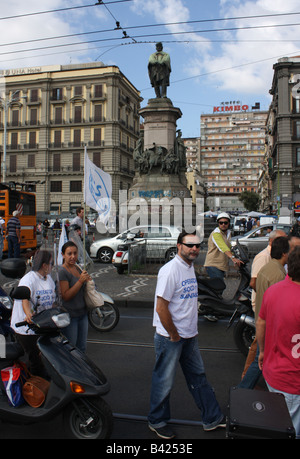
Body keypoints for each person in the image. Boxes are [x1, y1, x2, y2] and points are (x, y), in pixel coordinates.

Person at [148, 231, 225, 439]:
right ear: (178, 245)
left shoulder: (189, 268)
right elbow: (161, 307)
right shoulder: (170, 271)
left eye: (197, 246)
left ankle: (212, 418)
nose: (194, 249)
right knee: (164, 381)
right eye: (189, 245)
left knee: (198, 377)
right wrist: (173, 335)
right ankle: (157, 420)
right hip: (170, 338)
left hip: (189, 336)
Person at [257, 246, 300, 438]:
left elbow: (261, 322)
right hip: (293, 381)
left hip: (273, 371)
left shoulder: (273, 291)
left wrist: (262, 352)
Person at [238, 236, 289, 389]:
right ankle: (243, 390)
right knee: (260, 360)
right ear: (285, 253)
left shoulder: (269, 268)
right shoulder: (278, 274)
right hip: (269, 324)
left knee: (261, 359)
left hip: (263, 319)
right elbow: (278, 305)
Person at [10, 250, 56, 376]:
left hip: (42, 326)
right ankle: (34, 390)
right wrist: (28, 314)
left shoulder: (49, 279)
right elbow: (25, 299)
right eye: (51, 263)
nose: (53, 266)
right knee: (36, 361)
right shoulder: (29, 279)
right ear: (44, 265)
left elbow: (52, 300)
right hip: (27, 327)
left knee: (45, 359)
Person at [58, 241, 91, 353]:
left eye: (75, 253)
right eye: (69, 254)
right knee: (71, 350)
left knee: (82, 348)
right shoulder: (62, 271)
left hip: (83, 314)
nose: (73, 257)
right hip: (71, 316)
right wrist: (81, 281)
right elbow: (66, 296)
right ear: (63, 255)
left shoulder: (77, 268)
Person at [204, 212, 243, 279]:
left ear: (229, 223)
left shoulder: (228, 233)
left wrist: (236, 258)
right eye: (221, 223)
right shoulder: (216, 234)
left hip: (222, 265)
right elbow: (223, 247)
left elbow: (229, 248)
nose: (223, 224)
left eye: (225, 223)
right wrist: (233, 258)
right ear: (218, 223)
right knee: (218, 287)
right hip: (213, 264)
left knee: (219, 287)